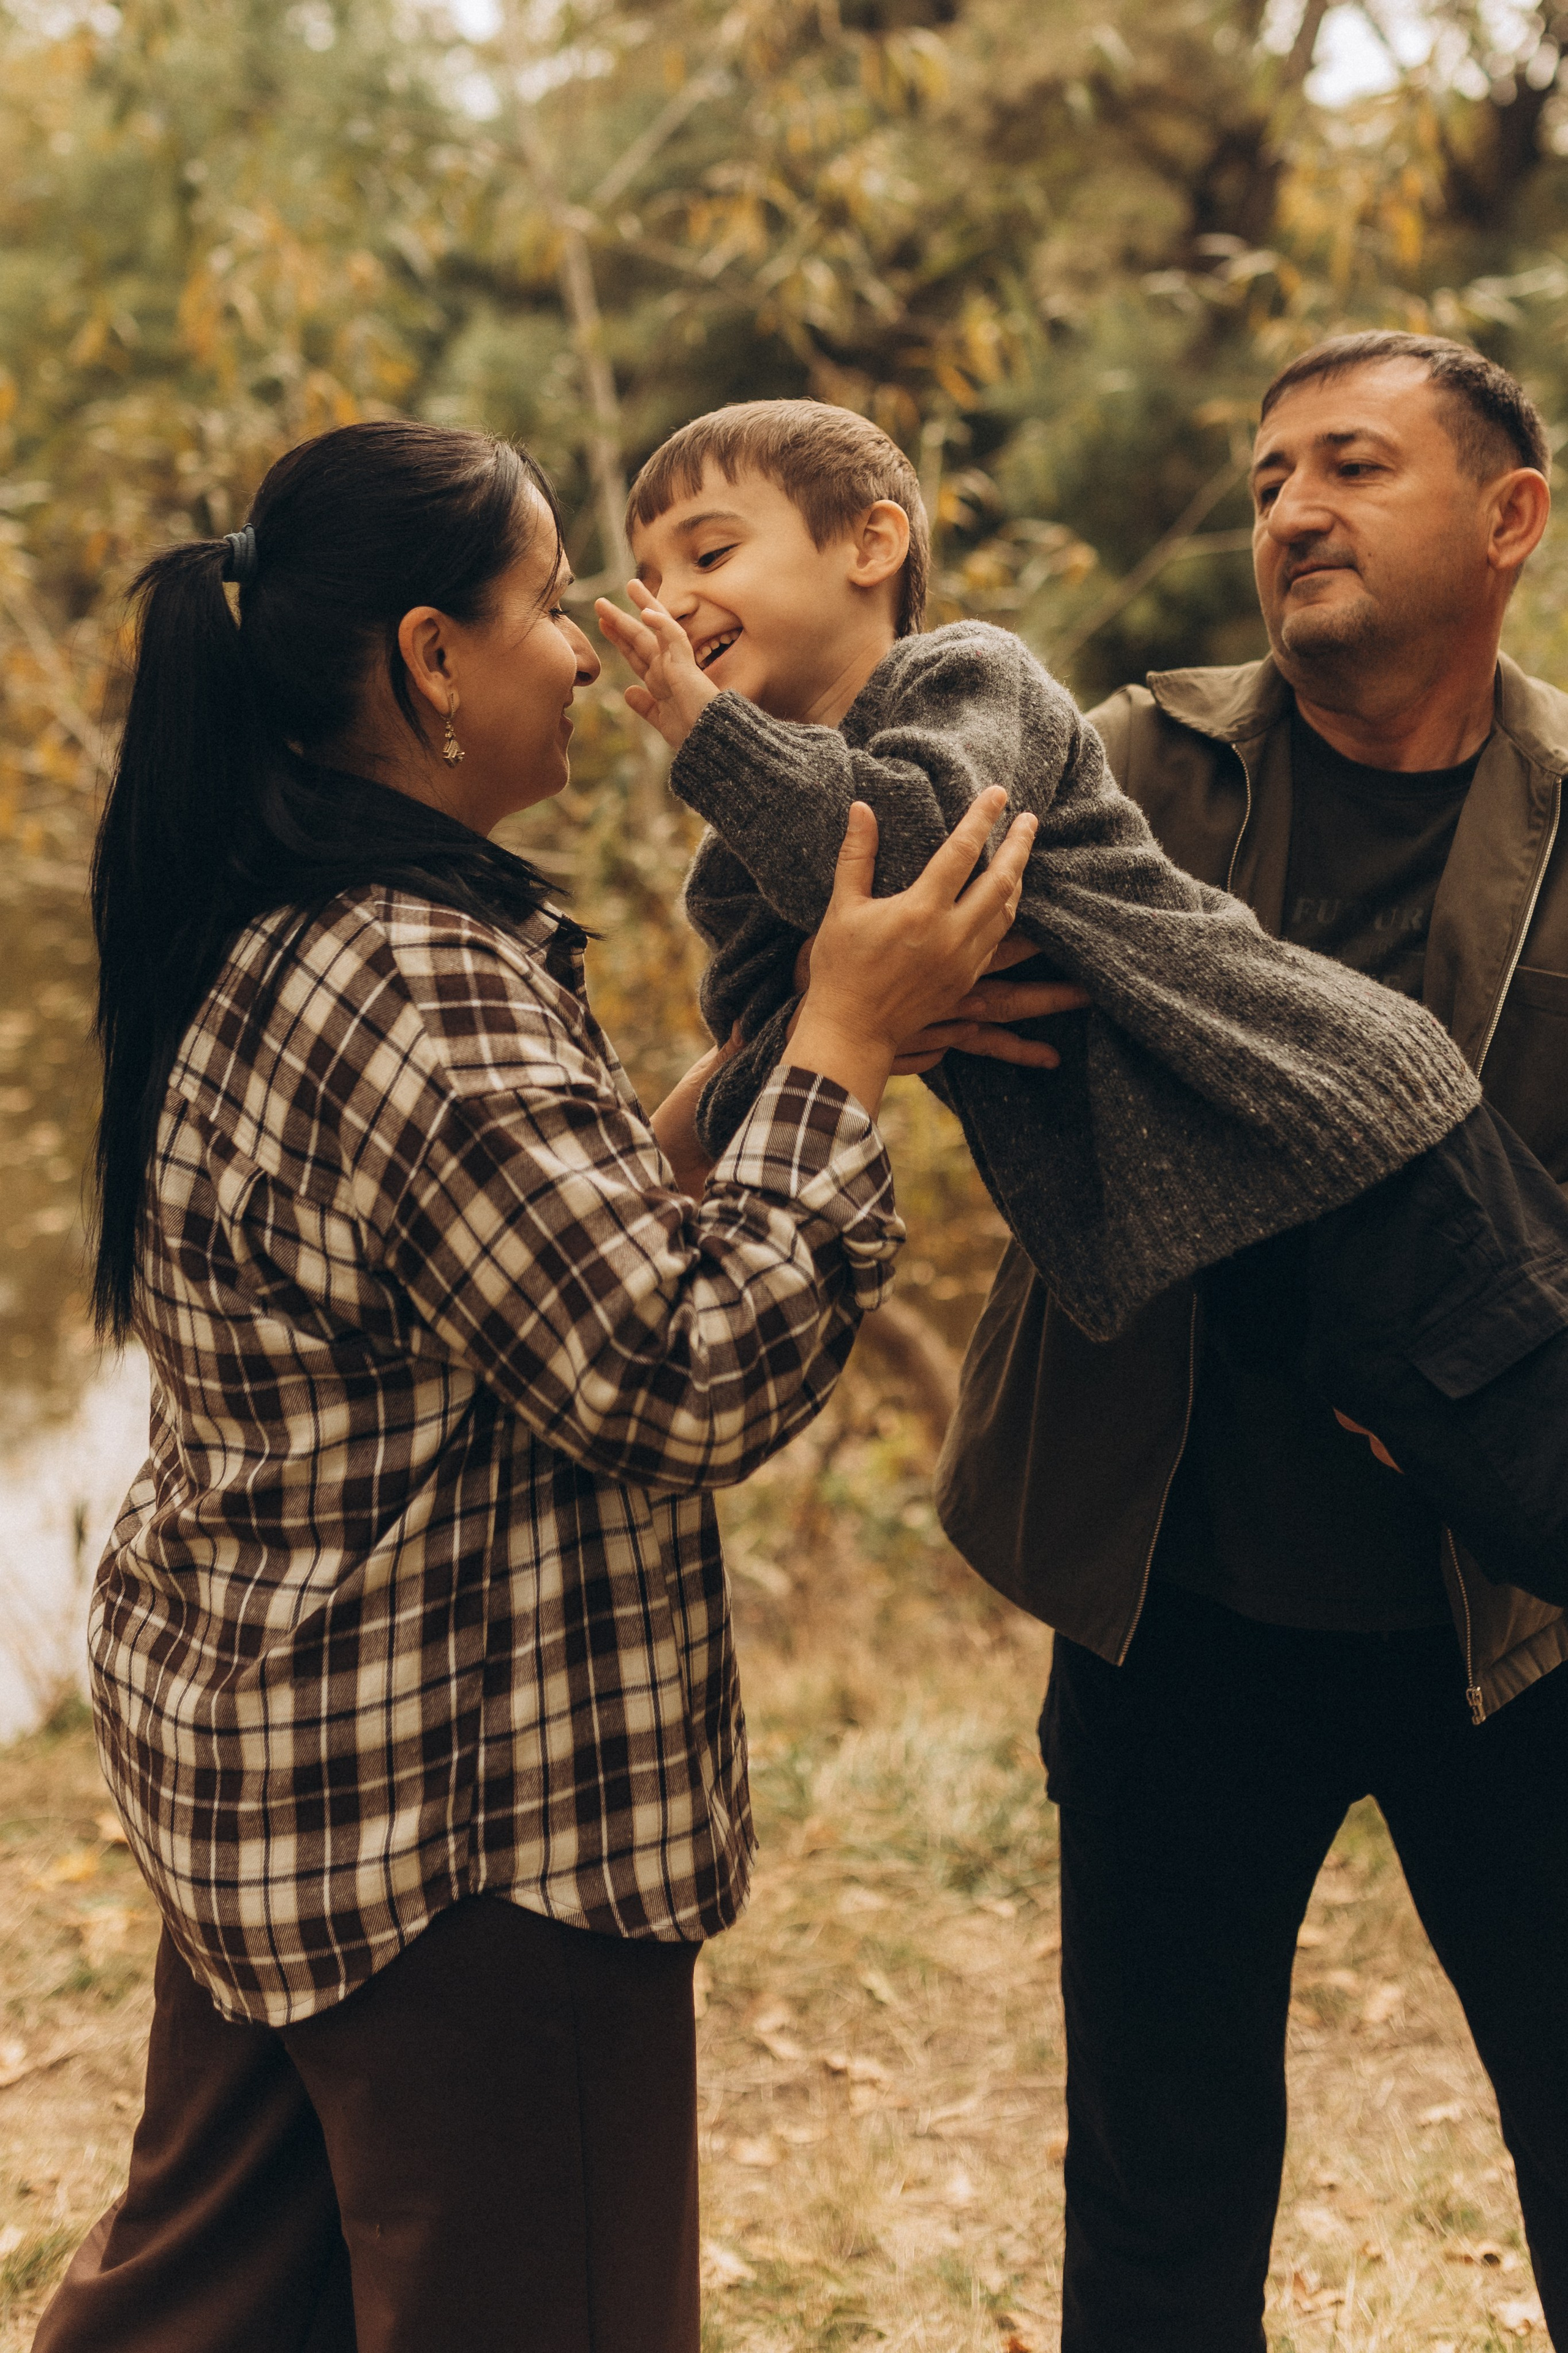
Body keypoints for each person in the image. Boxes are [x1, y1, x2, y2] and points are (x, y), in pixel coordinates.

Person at [34, 418, 1042, 2353]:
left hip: (279, 1775)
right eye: (548, 598)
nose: (599, 644)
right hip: (467, 1833)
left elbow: (473, 1278)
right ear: (430, 660)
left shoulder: (276, 922)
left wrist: (740, 1098)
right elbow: (675, 1369)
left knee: (208, 2306)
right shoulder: (418, 967)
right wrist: (836, 1051)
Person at [946, 334, 1568, 2351]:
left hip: (1517, 1621)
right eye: (1270, 475)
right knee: (1159, 2193)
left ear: (1508, 519)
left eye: (1352, 466)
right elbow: (904, 939)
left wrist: (1489, 1358)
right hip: (1177, 1596)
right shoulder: (1125, 766)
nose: (1291, 509)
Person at [594, 393, 1568, 1603]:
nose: (667, 600)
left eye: (708, 551)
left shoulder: (964, 678)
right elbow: (766, 1057)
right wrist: (830, 1007)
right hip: (1228, 1247)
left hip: (1341, 1130)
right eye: (643, 573)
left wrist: (710, 735)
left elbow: (915, 845)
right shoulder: (738, 847)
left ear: (870, 545)